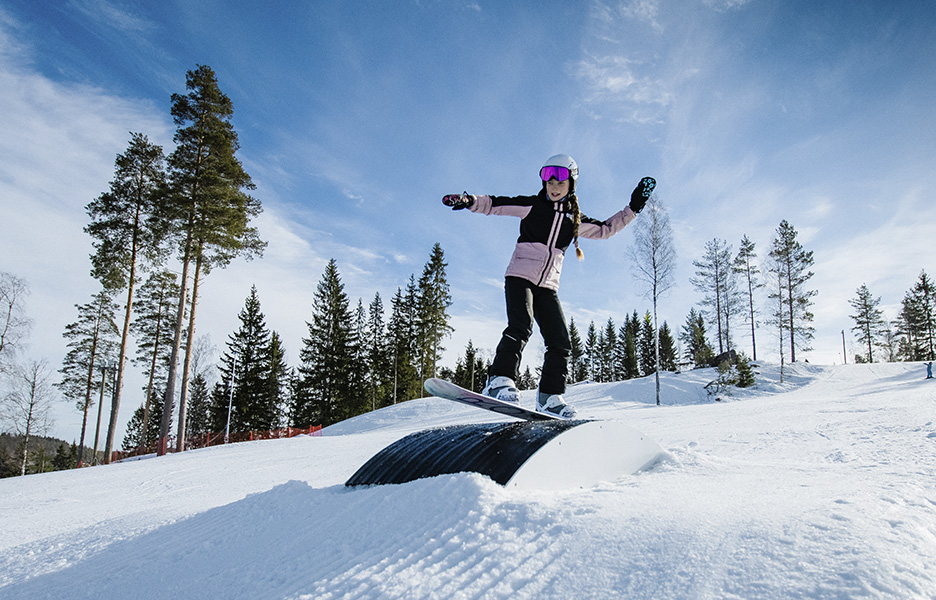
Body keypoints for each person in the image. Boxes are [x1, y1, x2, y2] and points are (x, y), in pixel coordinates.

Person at [443, 154, 654, 417]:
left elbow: (605, 229)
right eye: (548, 181)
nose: (553, 187)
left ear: (571, 184)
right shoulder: (532, 206)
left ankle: (549, 397)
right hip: (520, 276)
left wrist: (634, 207)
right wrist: (468, 200)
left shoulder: (574, 220)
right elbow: (496, 204)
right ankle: (499, 379)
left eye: (560, 182)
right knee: (521, 325)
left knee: (561, 342)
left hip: (548, 286)